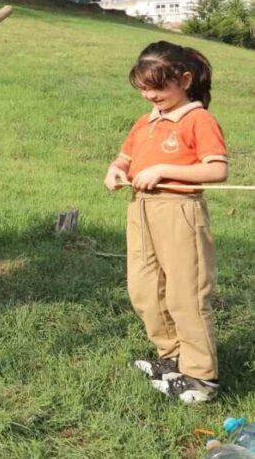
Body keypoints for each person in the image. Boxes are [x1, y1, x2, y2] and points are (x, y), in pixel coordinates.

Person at [104, 41, 228, 404]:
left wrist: (162, 170)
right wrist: (115, 171)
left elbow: (217, 169)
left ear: (185, 80)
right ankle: (173, 357)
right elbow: (124, 159)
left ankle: (201, 377)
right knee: (145, 290)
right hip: (141, 210)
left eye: (158, 87)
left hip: (179, 211)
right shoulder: (145, 122)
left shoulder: (198, 120)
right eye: (144, 88)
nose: (150, 95)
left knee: (185, 294)